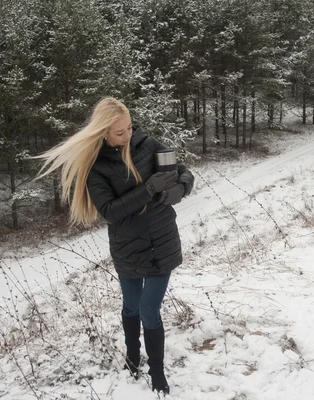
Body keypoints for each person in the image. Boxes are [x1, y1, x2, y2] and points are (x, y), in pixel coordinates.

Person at [36, 97, 194, 394]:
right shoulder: (97, 168)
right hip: (127, 248)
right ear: (104, 134)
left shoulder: (148, 145)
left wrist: (181, 188)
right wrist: (148, 189)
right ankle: (132, 358)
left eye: (130, 128)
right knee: (131, 307)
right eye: (120, 132)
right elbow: (109, 211)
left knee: (149, 309)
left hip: (162, 242)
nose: (127, 136)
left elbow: (184, 170)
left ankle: (157, 372)